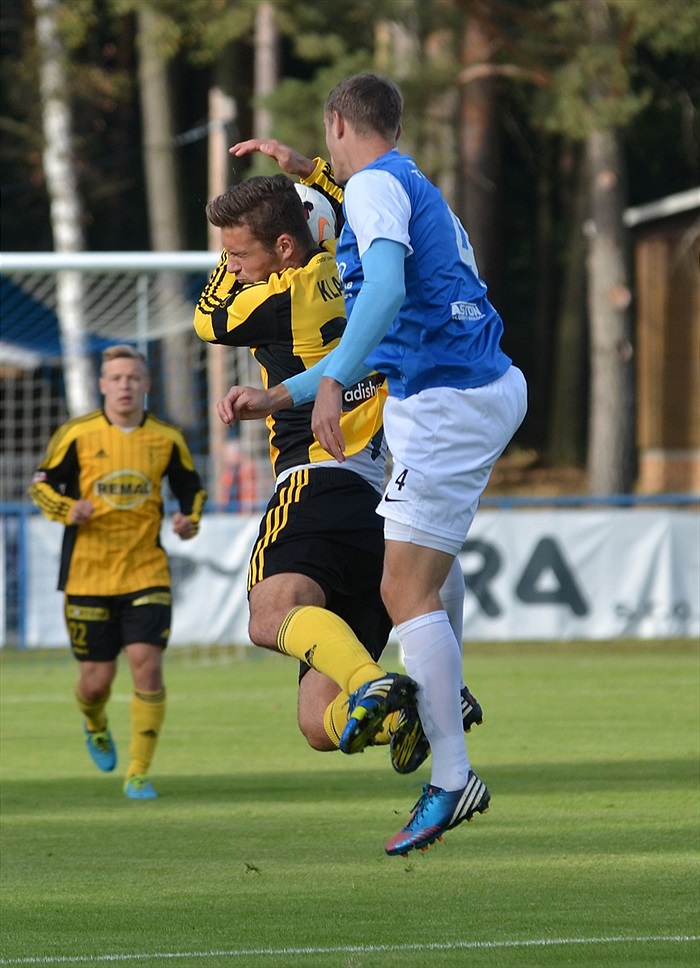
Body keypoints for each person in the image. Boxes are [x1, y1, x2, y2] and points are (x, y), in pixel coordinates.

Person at [223, 72, 528, 856]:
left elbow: (385, 293)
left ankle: (453, 778)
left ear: (337, 123)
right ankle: (445, 694)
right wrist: (284, 395)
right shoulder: (410, 180)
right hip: (478, 384)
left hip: (446, 399)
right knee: (416, 562)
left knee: (404, 587)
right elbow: (381, 336)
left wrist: (322, 383)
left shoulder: (373, 191)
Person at [193, 173, 418, 756]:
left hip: (315, 481)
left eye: (239, 253)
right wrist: (316, 177)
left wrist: (226, 265)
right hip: (376, 506)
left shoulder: (284, 296)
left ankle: (374, 684)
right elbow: (347, 211)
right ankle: (403, 715)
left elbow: (209, 318)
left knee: (267, 617)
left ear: (286, 247)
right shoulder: (364, 278)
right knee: (320, 724)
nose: (235, 265)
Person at [29, 344, 207, 799]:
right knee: (96, 682)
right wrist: (69, 509)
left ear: (146, 385)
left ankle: (139, 772)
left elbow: (191, 490)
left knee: (147, 668)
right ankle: (94, 720)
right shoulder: (77, 434)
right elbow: (42, 485)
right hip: (87, 576)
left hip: (146, 573)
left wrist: (190, 520)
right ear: (102, 385)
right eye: (117, 378)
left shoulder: (166, 438)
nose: (125, 385)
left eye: (133, 377)